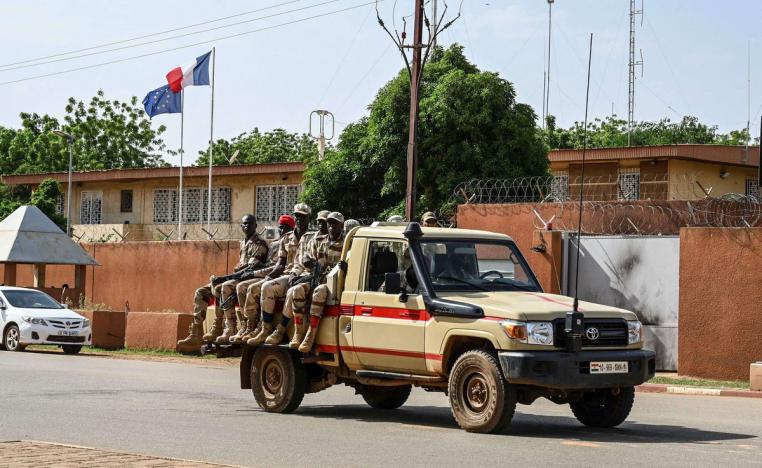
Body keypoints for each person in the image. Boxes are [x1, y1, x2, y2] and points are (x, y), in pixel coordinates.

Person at [176, 214, 268, 352]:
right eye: (244, 224)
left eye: (250, 223)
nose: (247, 226)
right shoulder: (243, 242)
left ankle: (226, 327)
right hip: (235, 277)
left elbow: (250, 269)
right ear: (241, 227)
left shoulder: (260, 243)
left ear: (256, 225)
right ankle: (196, 333)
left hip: (247, 279)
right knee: (201, 292)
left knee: (222, 287)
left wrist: (224, 278)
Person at [266, 211, 345, 353]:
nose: (331, 226)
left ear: (341, 225)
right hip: (313, 278)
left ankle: (310, 335)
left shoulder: (346, 244)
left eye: (335, 223)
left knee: (320, 292)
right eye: (330, 223)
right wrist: (310, 265)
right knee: (296, 290)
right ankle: (298, 333)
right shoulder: (317, 241)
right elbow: (306, 260)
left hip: (332, 285)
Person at [247, 204, 316, 346]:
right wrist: (269, 276)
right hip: (287, 275)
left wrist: (297, 275)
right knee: (266, 287)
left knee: (292, 292)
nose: (299, 219)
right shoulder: (286, 238)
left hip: (304, 276)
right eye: (297, 216)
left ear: (309, 218)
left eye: (302, 216)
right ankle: (265, 329)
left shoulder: (313, 238)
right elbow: (280, 264)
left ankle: (280, 329)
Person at [229, 215, 295, 344]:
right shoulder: (275, 244)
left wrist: (255, 274)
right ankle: (247, 325)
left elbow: (278, 267)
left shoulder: (292, 243)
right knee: (240, 286)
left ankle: (260, 326)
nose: (282, 230)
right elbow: (269, 265)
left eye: (286, 228)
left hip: (280, 276)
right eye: (280, 227)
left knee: (254, 287)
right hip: (268, 274)